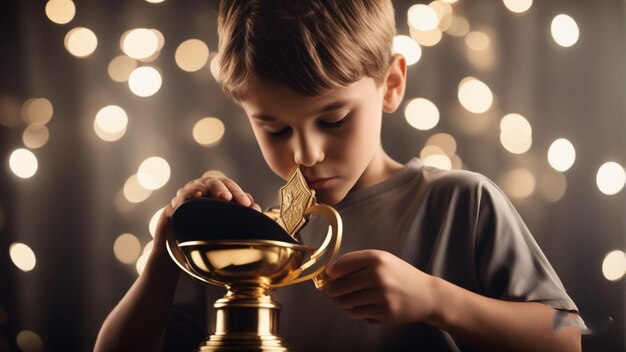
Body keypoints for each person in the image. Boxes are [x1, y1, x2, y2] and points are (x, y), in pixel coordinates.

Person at [94, 1, 583, 351]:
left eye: (333, 120)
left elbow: (565, 340)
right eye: (275, 127)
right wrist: (168, 247)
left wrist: (435, 300)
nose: (305, 153)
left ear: (391, 84)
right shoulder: (251, 240)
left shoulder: (460, 202)